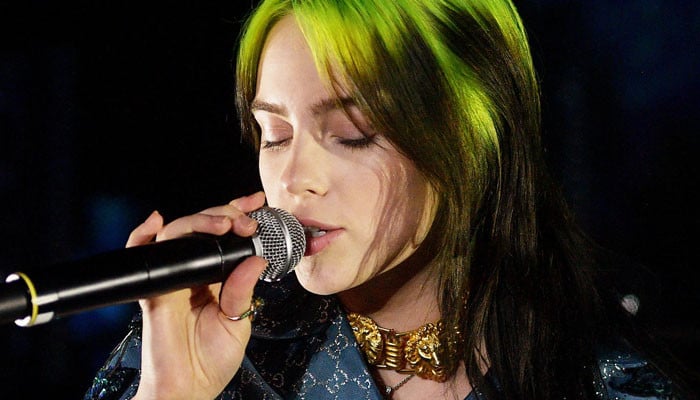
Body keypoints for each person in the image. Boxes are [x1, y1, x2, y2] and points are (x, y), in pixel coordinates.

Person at [83, 0, 691, 399]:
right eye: (275, 135)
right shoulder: (199, 347)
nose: (293, 179)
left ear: (473, 137)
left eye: (351, 134)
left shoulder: (602, 378)